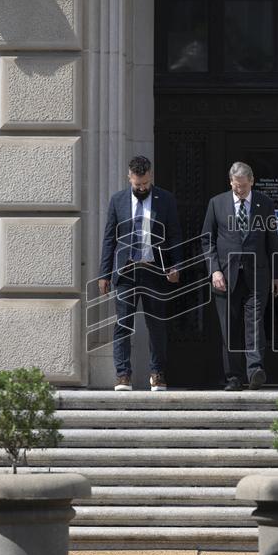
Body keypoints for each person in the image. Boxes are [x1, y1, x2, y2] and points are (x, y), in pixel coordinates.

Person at [97, 155, 182, 391]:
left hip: (155, 271)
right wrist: (104, 274)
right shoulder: (118, 201)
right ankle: (123, 375)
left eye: (145, 184)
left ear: (150, 176)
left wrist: (176, 266)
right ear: (129, 178)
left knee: (157, 325)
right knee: (123, 325)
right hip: (126, 272)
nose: (142, 188)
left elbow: (175, 234)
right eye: (137, 185)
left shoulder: (165, 199)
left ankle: (158, 374)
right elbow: (109, 239)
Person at [201, 162, 278, 391]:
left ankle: (255, 370)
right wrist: (214, 270)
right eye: (236, 187)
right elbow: (207, 240)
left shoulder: (265, 203)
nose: (240, 191)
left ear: (252, 181)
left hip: (257, 275)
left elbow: (272, 240)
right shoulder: (217, 203)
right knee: (229, 328)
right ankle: (234, 377)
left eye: (244, 187)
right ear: (231, 182)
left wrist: (277, 275)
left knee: (254, 324)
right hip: (225, 277)